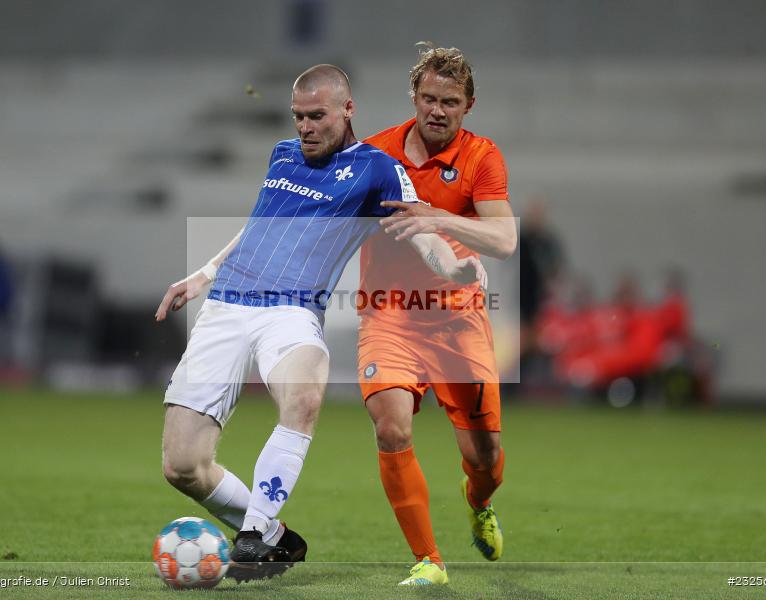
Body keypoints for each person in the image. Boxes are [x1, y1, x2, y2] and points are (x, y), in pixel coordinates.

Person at [153, 64, 486, 582]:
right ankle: (273, 537)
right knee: (182, 465)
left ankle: (253, 535)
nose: (304, 128)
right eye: (298, 117)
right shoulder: (282, 154)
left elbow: (422, 232)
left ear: (347, 111)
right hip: (226, 307)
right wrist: (204, 272)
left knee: (304, 395)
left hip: (291, 311)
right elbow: (258, 226)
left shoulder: (376, 169)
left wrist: (457, 267)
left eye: (316, 117)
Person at [357, 47, 517, 585]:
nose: (437, 110)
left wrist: (440, 217)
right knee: (391, 425)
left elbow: (504, 238)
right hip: (389, 315)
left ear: (469, 105)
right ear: (414, 98)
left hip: (456, 320)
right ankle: (429, 559)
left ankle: (479, 503)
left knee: (486, 456)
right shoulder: (375, 152)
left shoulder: (481, 158)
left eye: (450, 101)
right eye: (428, 98)